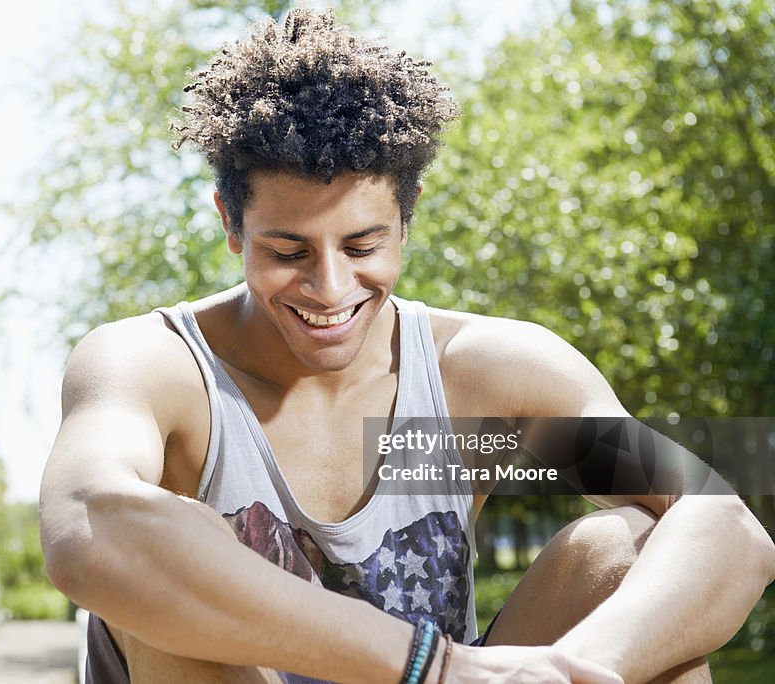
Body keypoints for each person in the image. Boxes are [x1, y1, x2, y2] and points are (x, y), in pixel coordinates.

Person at [39, 9, 775, 683]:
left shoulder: (479, 385)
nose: (329, 288)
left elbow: (725, 526)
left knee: (629, 550)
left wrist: (570, 673)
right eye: (288, 250)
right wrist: (434, 666)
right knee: (169, 554)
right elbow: (88, 525)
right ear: (231, 225)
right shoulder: (159, 369)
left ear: (406, 220)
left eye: (363, 243)